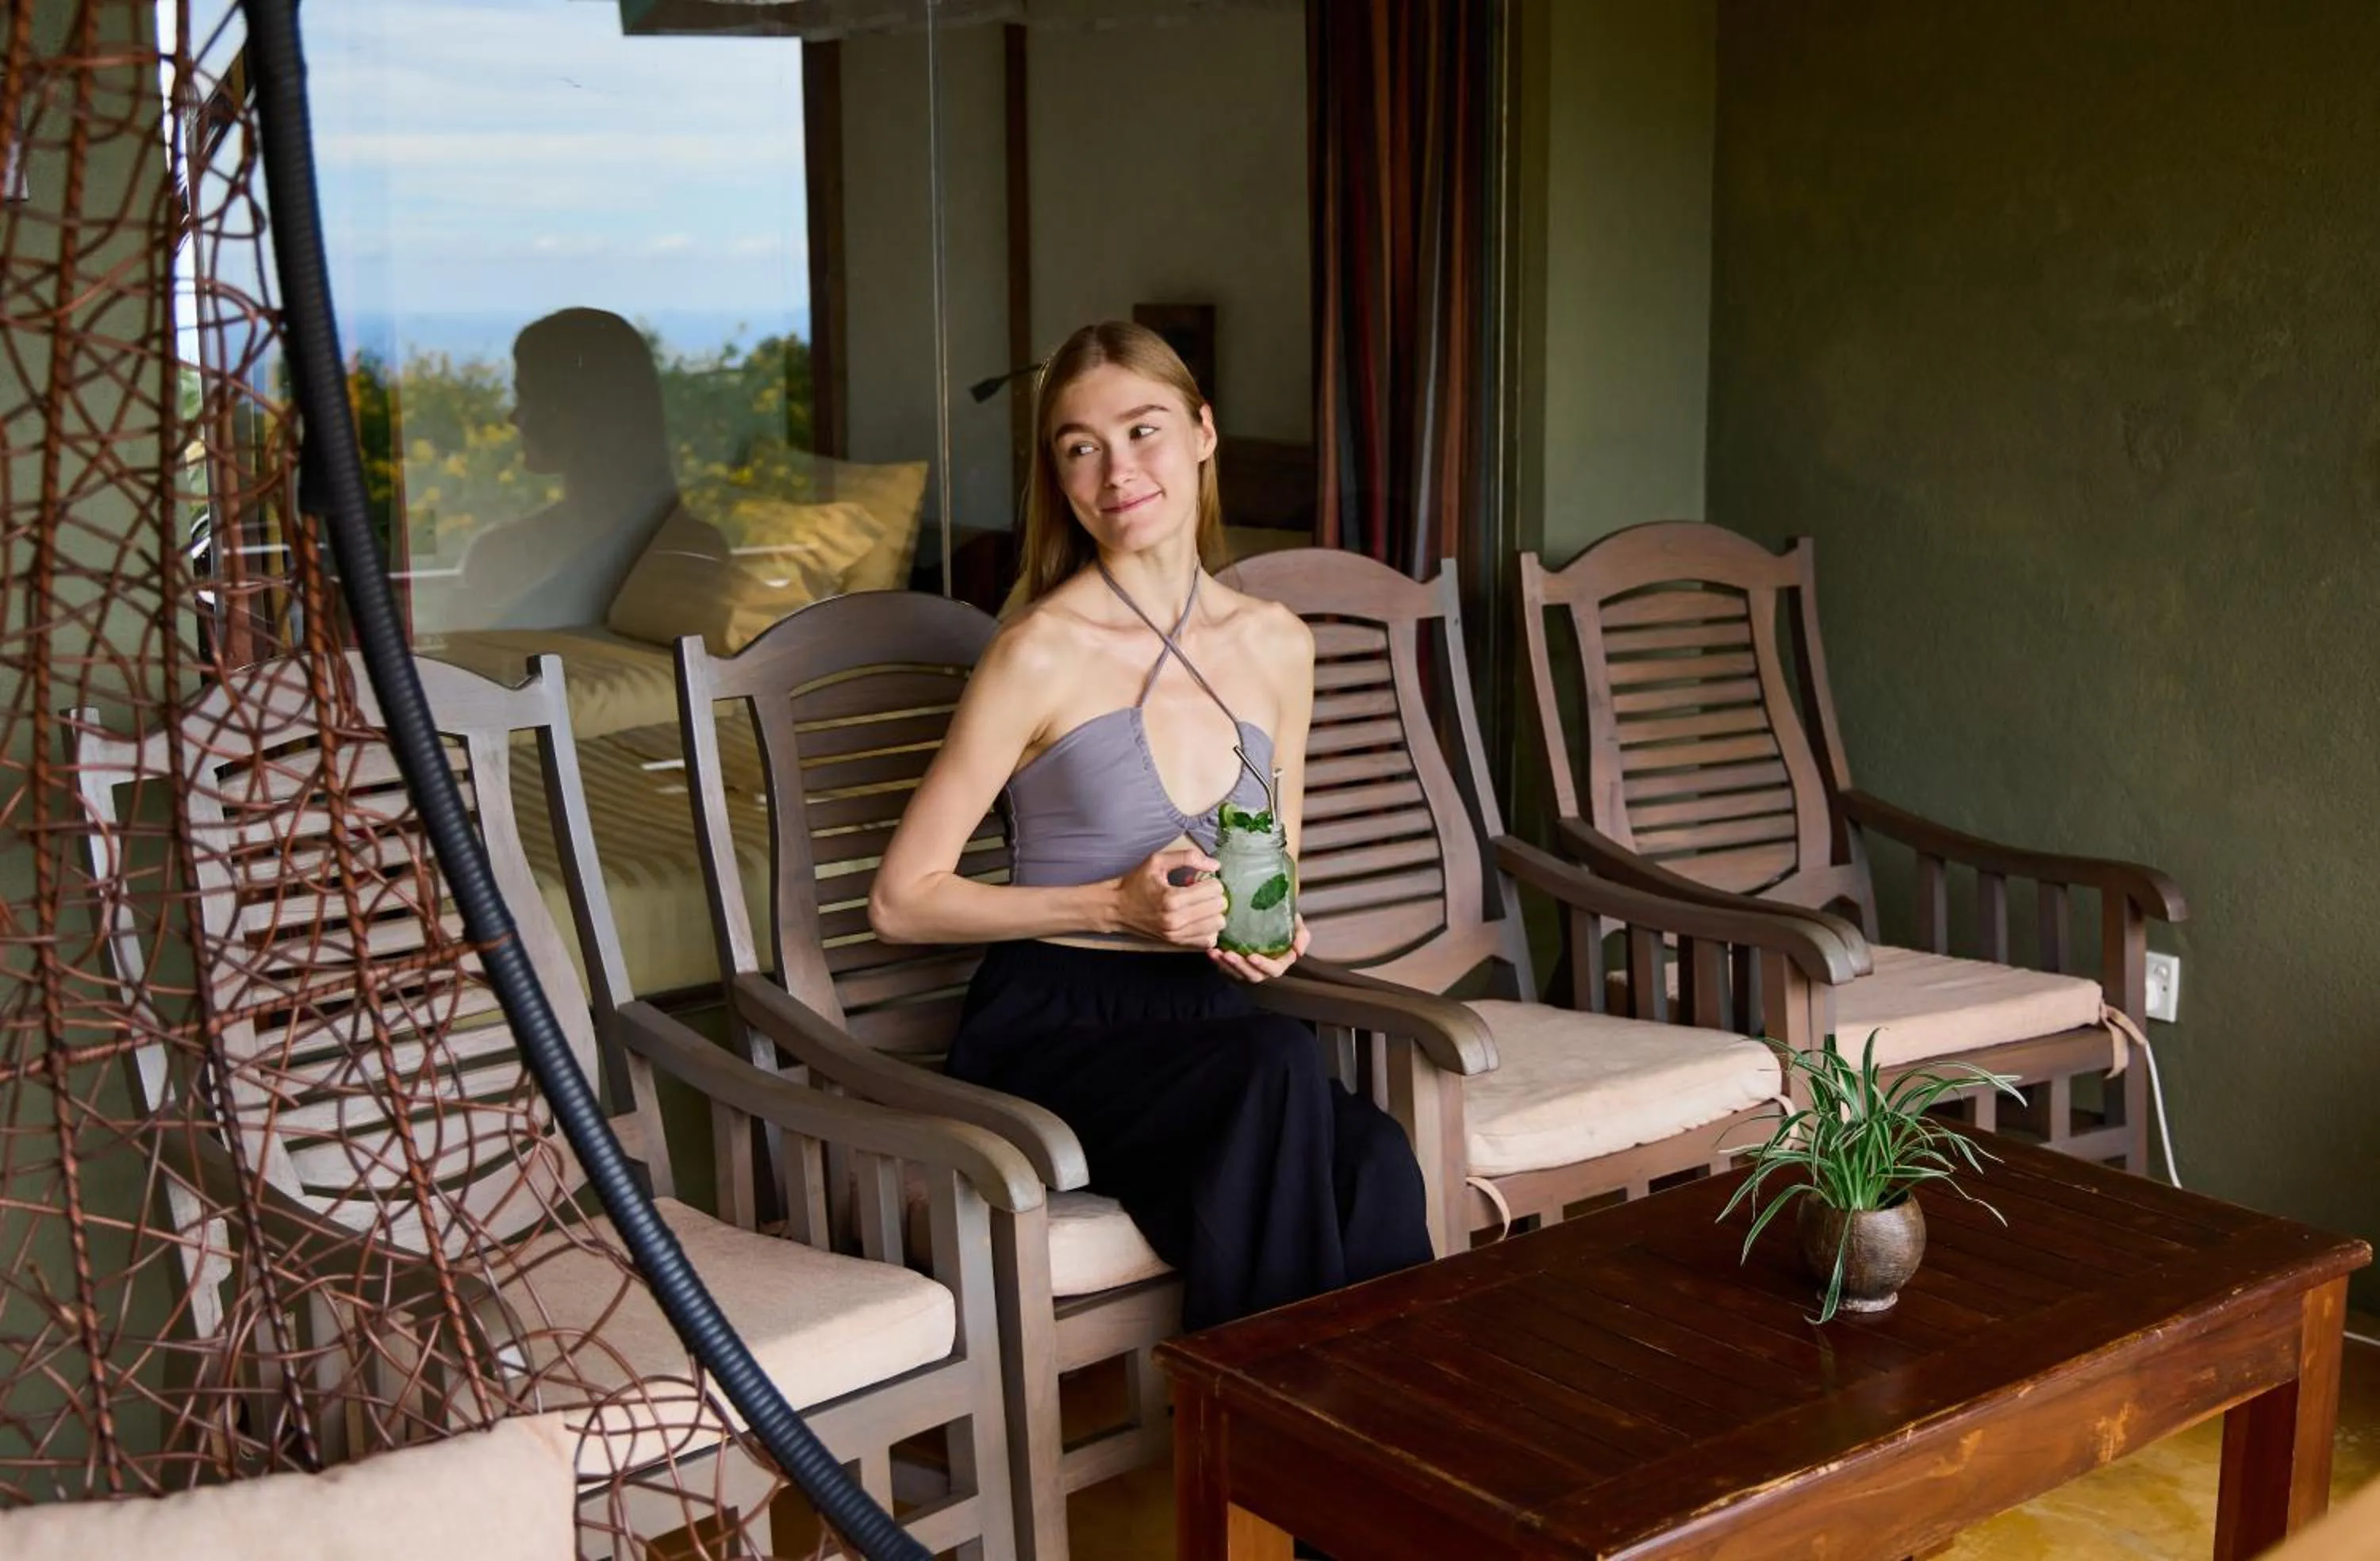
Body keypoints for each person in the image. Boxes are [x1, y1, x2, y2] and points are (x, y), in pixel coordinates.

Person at [869, 320, 1433, 1333]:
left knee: (1377, 1158)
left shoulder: (1278, 644)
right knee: (1277, 1066)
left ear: (1203, 433)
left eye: (1143, 431)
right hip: (1056, 1024)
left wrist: (1270, 932)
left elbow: (1277, 863)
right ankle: (1266, 1420)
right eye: (1080, 447)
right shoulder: (1039, 651)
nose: (1117, 470)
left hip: (1209, 1025)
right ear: (1060, 478)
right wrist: (1111, 907)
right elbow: (901, 902)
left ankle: (1370, 1425)